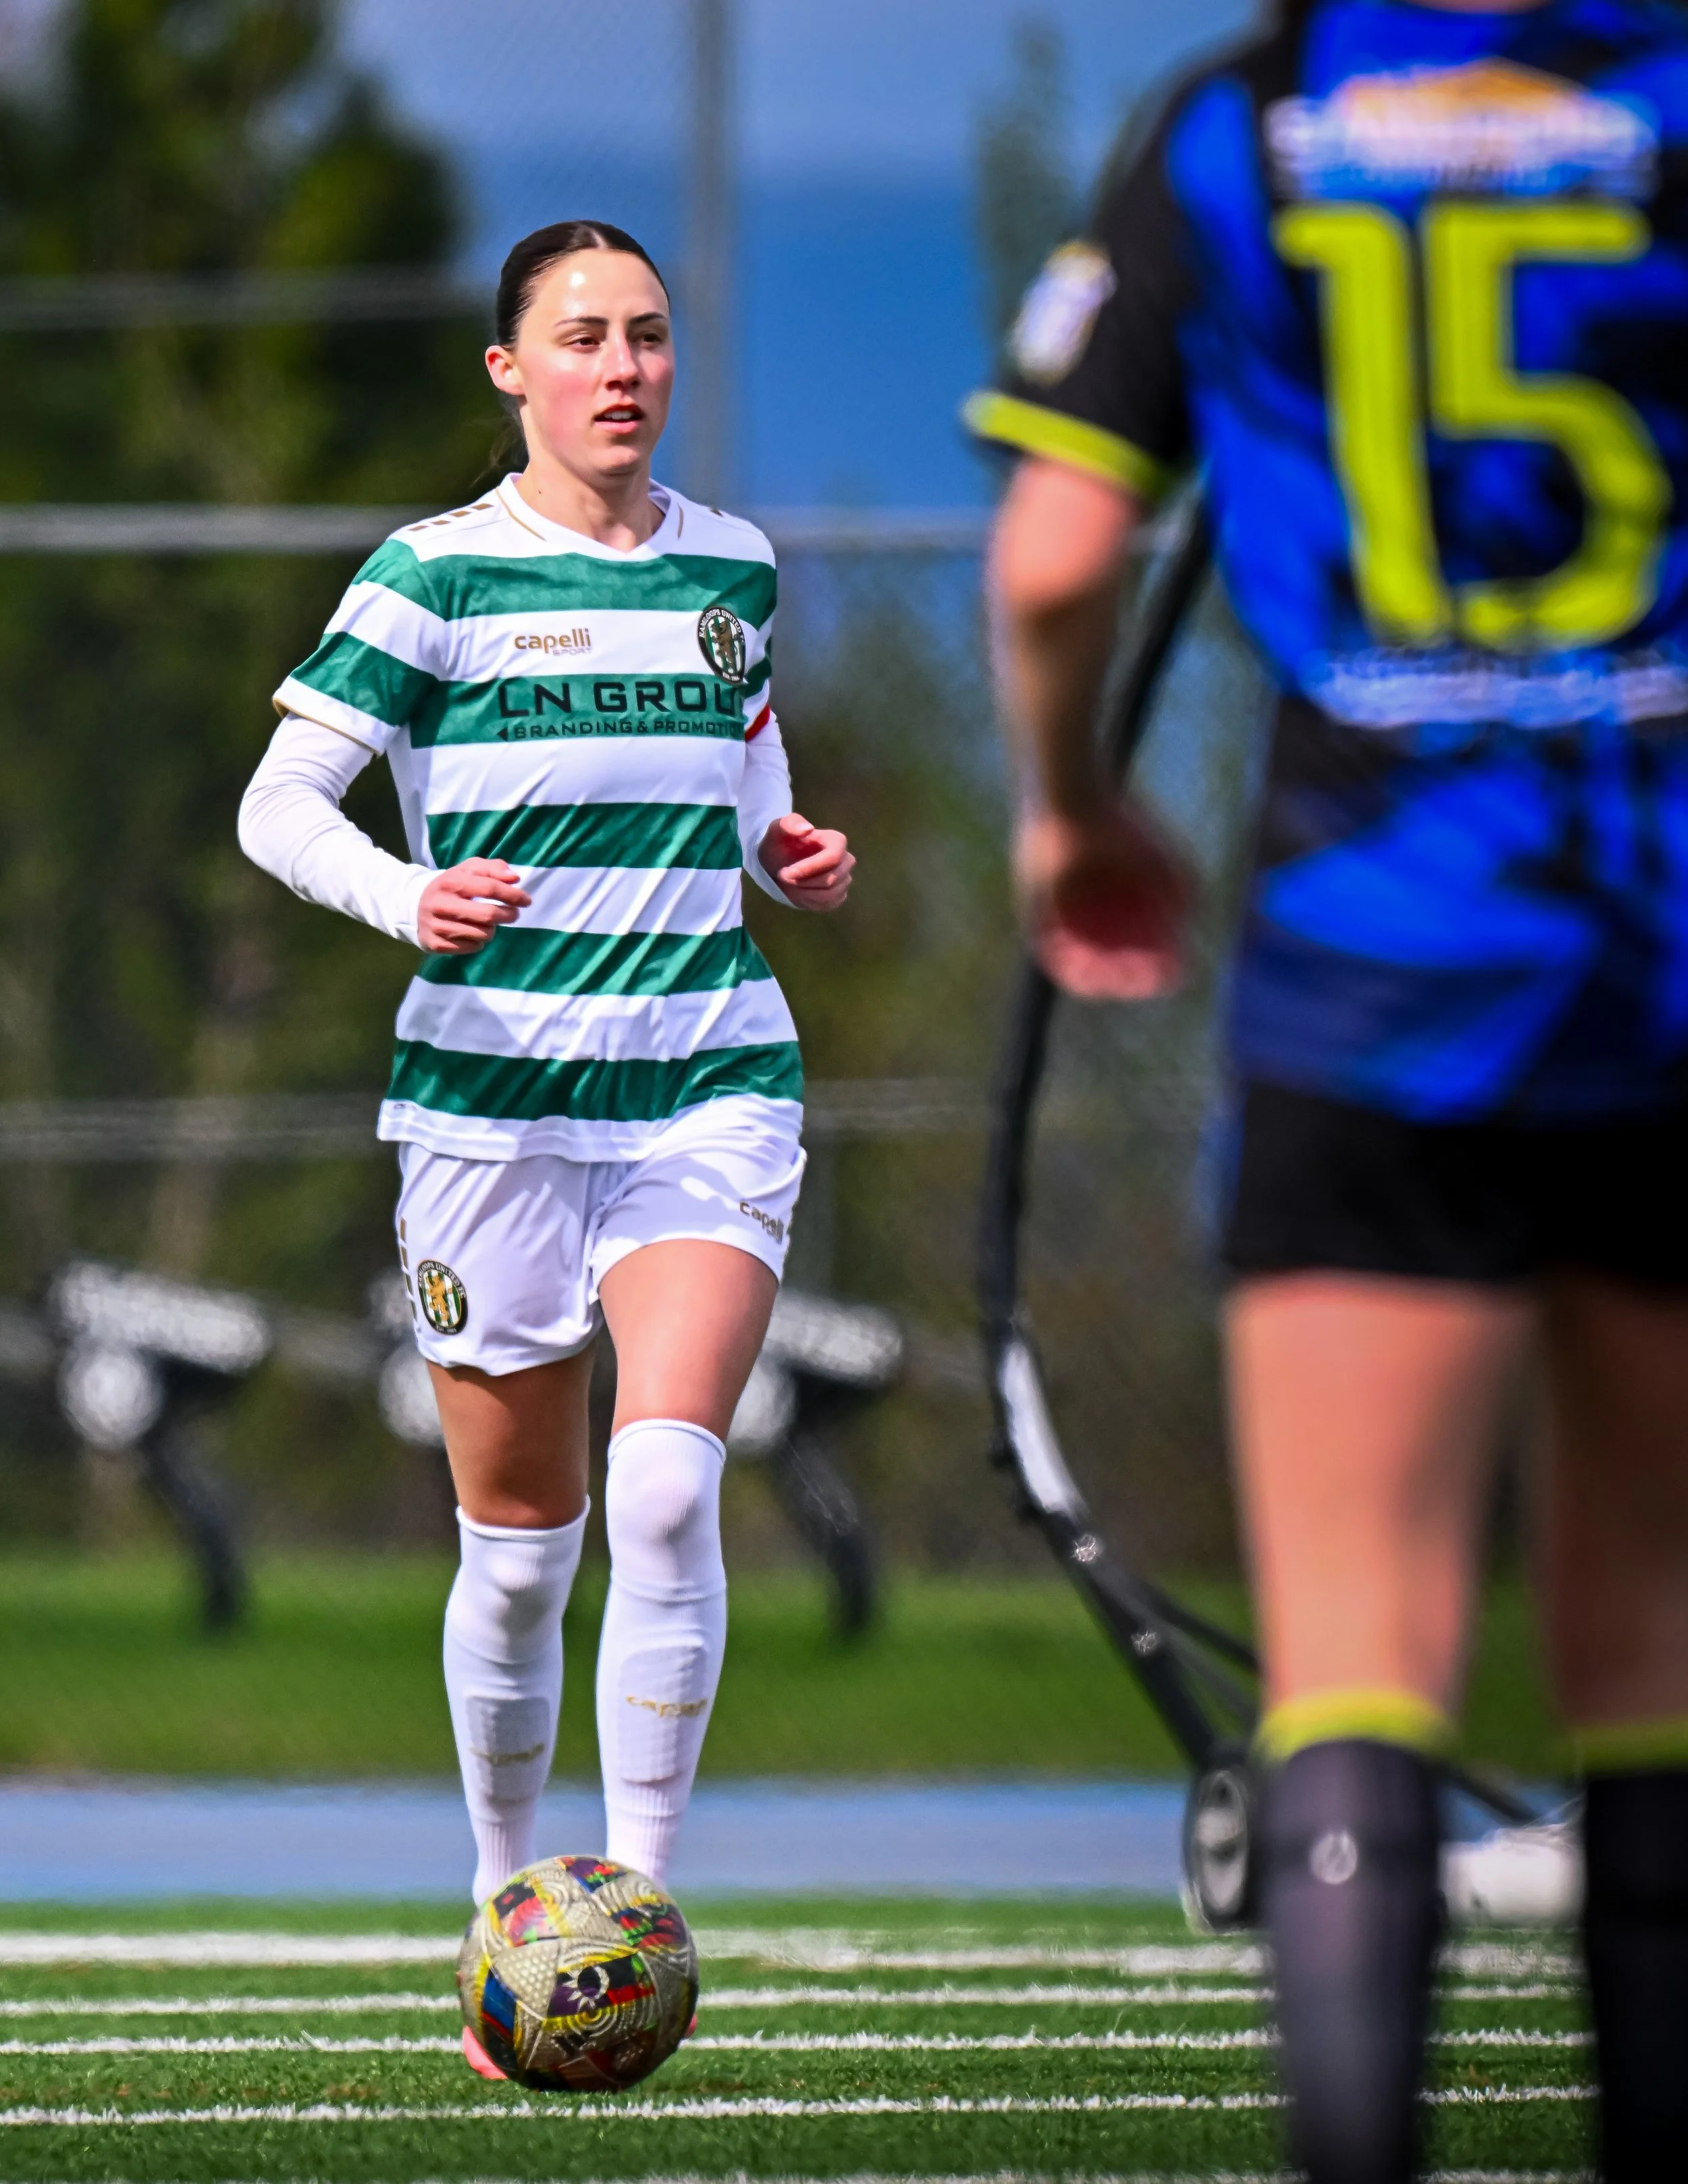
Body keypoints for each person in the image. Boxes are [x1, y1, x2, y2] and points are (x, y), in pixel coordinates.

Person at [973, 1, 1688, 2176]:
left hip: (1369, 960)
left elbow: (1050, 559)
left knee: (1358, 1643)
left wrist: (1067, 811)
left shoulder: (1235, 126)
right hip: (1659, 940)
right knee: (1650, 1637)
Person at [240, 219, 853, 2075]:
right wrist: (403, 894)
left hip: (703, 1080)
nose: (622, 368)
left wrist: (782, 848)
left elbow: (747, 770)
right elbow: (280, 806)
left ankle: (641, 1928)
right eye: (582, 337)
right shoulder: (430, 577)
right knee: (521, 1554)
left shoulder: (730, 565)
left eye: (649, 338)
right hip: (489, 1115)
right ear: (509, 369)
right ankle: (511, 1921)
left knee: (667, 1492)